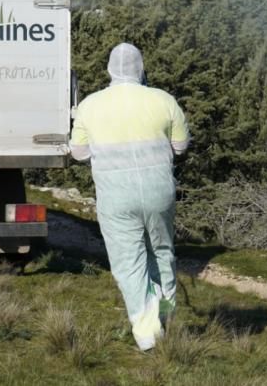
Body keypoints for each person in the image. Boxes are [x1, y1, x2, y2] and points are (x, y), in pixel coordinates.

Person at [69, 42, 190, 351]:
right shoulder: (164, 101)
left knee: (129, 263)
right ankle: (166, 316)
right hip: (158, 191)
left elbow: (79, 152)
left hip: (116, 197)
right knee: (162, 253)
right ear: (141, 68)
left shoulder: (90, 106)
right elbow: (180, 147)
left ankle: (148, 334)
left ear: (109, 70)